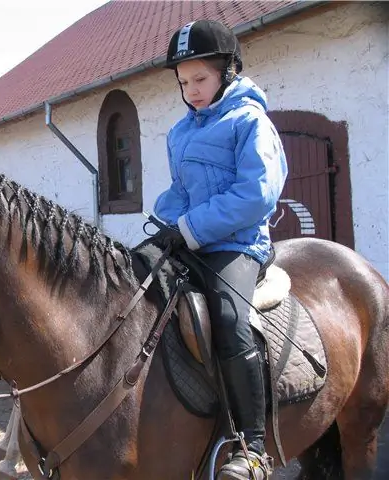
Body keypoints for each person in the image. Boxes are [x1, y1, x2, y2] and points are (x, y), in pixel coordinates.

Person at [154, 20, 288, 480]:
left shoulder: (251, 122)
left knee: (229, 320)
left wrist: (189, 229)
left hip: (237, 244)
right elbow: (178, 193)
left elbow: (257, 194)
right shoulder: (179, 133)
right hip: (189, 238)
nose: (191, 90)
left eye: (200, 79)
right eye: (183, 82)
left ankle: (253, 447)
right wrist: (162, 226)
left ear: (228, 72)